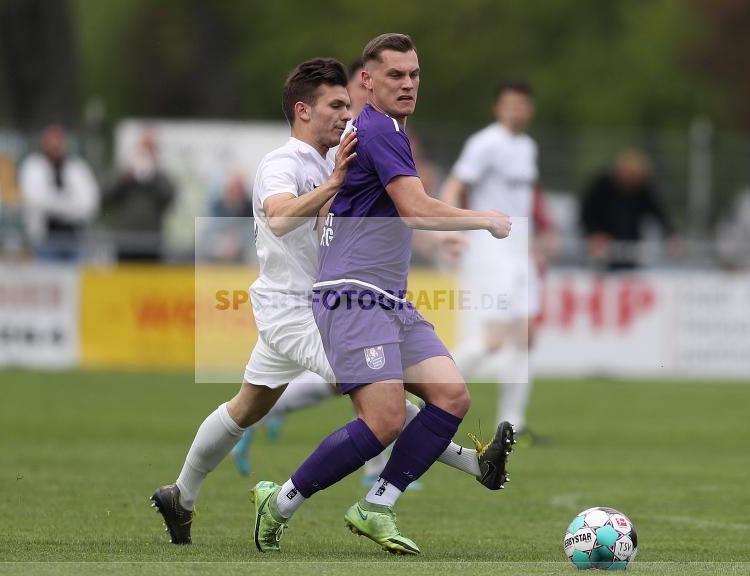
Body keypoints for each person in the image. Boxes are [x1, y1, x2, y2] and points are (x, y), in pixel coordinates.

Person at [151, 58, 511, 546]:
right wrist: (333, 184)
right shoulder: (283, 162)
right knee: (384, 404)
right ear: (303, 110)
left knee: (246, 407)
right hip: (298, 309)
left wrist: (433, 240)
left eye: (349, 104)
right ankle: (466, 467)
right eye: (335, 105)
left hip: (317, 305)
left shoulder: (332, 159)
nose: (346, 114)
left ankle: (182, 494)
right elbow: (279, 218)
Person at [251, 34, 514, 556]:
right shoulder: (376, 128)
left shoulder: (386, 131)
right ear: (366, 81)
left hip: (388, 297)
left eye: (414, 74)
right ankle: (278, 503)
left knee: (451, 396)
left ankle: (377, 505)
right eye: (395, 75)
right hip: (352, 296)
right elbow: (415, 208)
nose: (408, 84)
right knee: (385, 419)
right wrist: (482, 219)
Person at [440, 80, 556, 446]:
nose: (516, 111)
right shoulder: (485, 143)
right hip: (491, 248)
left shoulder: (527, 147)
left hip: (519, 250)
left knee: (525, 334)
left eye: (522, 104)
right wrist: (453, 229)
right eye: (510, 104)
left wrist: (537, 240)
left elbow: (526, 202)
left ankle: (512, 424)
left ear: (529, 109)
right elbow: (453, 187)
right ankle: (427, 393)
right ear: (498, 107)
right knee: (493, 340)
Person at [580, 149, 682, 271]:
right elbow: (585, 213)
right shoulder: (601, 186)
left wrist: (671, 236)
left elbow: (659, 213)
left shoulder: (643, 189)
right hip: (603, 247)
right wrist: (593, 233)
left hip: (631, 247)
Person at [19, 124, 99, 261]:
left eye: (59, 140)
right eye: (52, 140)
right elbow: (37, 199)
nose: (56, 145)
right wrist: (70, 202)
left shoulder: (77, 167)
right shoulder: (33, 166)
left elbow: (90, 204)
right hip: (44, 242)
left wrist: (54, 201)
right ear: (44, 142)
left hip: (74, 240)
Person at [103, 128, 175, 262]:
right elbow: (107, 195)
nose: (146, 153)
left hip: (152, 242)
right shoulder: (124, 173)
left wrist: (154, 173)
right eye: (144, 148)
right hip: (126, 240)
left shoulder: (160, 176)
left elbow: (169, 196)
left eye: (151, 148)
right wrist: (126, 175)